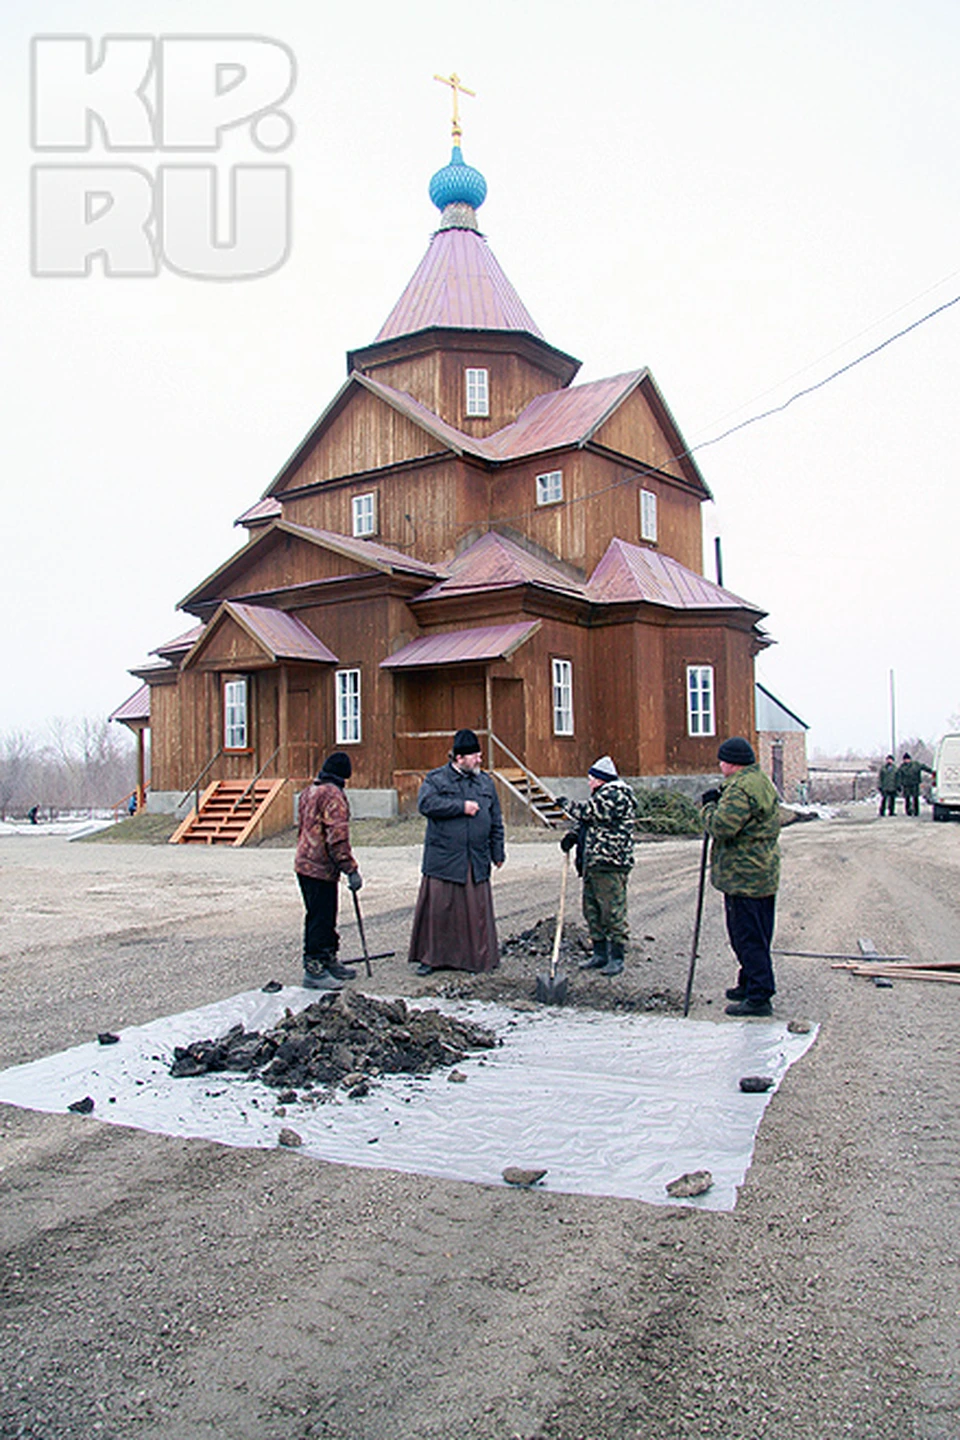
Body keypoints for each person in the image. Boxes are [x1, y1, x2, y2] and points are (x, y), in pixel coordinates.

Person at [408, 729, 505, 976]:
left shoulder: (485, 782)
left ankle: (476, 959)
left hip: (476, 858)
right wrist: (460, 807)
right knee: (440, 911)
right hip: (443, 859)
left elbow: (495, 819)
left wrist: (498, 851)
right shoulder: (436, 779)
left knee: (476, 913)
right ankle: (432, 959)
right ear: (459, 757)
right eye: (475, 756)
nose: (480, 760)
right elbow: (426, 804)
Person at [701, 736, 781, 1017]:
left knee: (746, 936)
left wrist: (709, 807)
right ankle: (748, 982)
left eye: (722, 760)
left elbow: (722, 827)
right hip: (761, 872)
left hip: (745, 876)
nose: (720, 764)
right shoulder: (759, 781)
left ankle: (759, 995)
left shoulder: (740, 789)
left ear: (731, 763)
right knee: (757, 932)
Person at [556, 755, 638, 977]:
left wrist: (566, 805)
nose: (589, 783)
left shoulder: (615, 795)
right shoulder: (601, 796)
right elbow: (586, 823)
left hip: (610, 863)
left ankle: (617, 956)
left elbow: (590, 813)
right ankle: (600, 953)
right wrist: (573, 836)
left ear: (601, 779)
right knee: (592, 910)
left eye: (591, 779)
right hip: (593, 863)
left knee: (612, 910)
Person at [294, 751, 363, 991]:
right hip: (319, 867)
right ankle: (314, 968)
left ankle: (328, 959)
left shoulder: (308, 792)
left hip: (304, 863)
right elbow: (337, 837)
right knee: (320, 917)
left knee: (322, 914)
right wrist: (350, 869)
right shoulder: (333, 796)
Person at [896, 752, 933, 817]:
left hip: (915, 784)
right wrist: (898, 784)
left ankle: (916, 811)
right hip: (906, 785)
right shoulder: (902, 767)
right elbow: (899, 776)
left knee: (915, 798)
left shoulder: (916, 765)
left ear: (910, 759)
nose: (906, 761)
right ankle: (908, 811)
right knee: (907, 798)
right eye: (905, 759)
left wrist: (932, 771)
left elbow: (924, 767)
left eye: (907, 759)